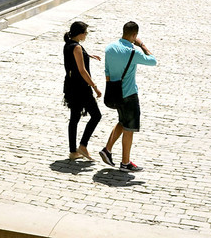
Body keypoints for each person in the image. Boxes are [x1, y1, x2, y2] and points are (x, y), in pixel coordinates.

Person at [98, 21, 157, 172]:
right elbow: (153, 61)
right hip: (129, 94)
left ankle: (107, 149)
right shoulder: (133, 52)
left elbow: (107, 72)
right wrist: (142, 45)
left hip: (114, 93)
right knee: (129, 128)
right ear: (134, 35)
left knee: (122, 122)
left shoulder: (110, 48)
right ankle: (125, 162)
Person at [62, 20, 102, 161]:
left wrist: (88, 55)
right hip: (82, 88)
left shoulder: (68, 44)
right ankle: (83, 145)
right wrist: (95, 87)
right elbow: (82, 70)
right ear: (80, 34)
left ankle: (73, 151)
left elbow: (75, 57)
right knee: (96, 116)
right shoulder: (77, 48)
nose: (86, 35)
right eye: (85, 33)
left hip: (71, 86)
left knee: (74, 118)